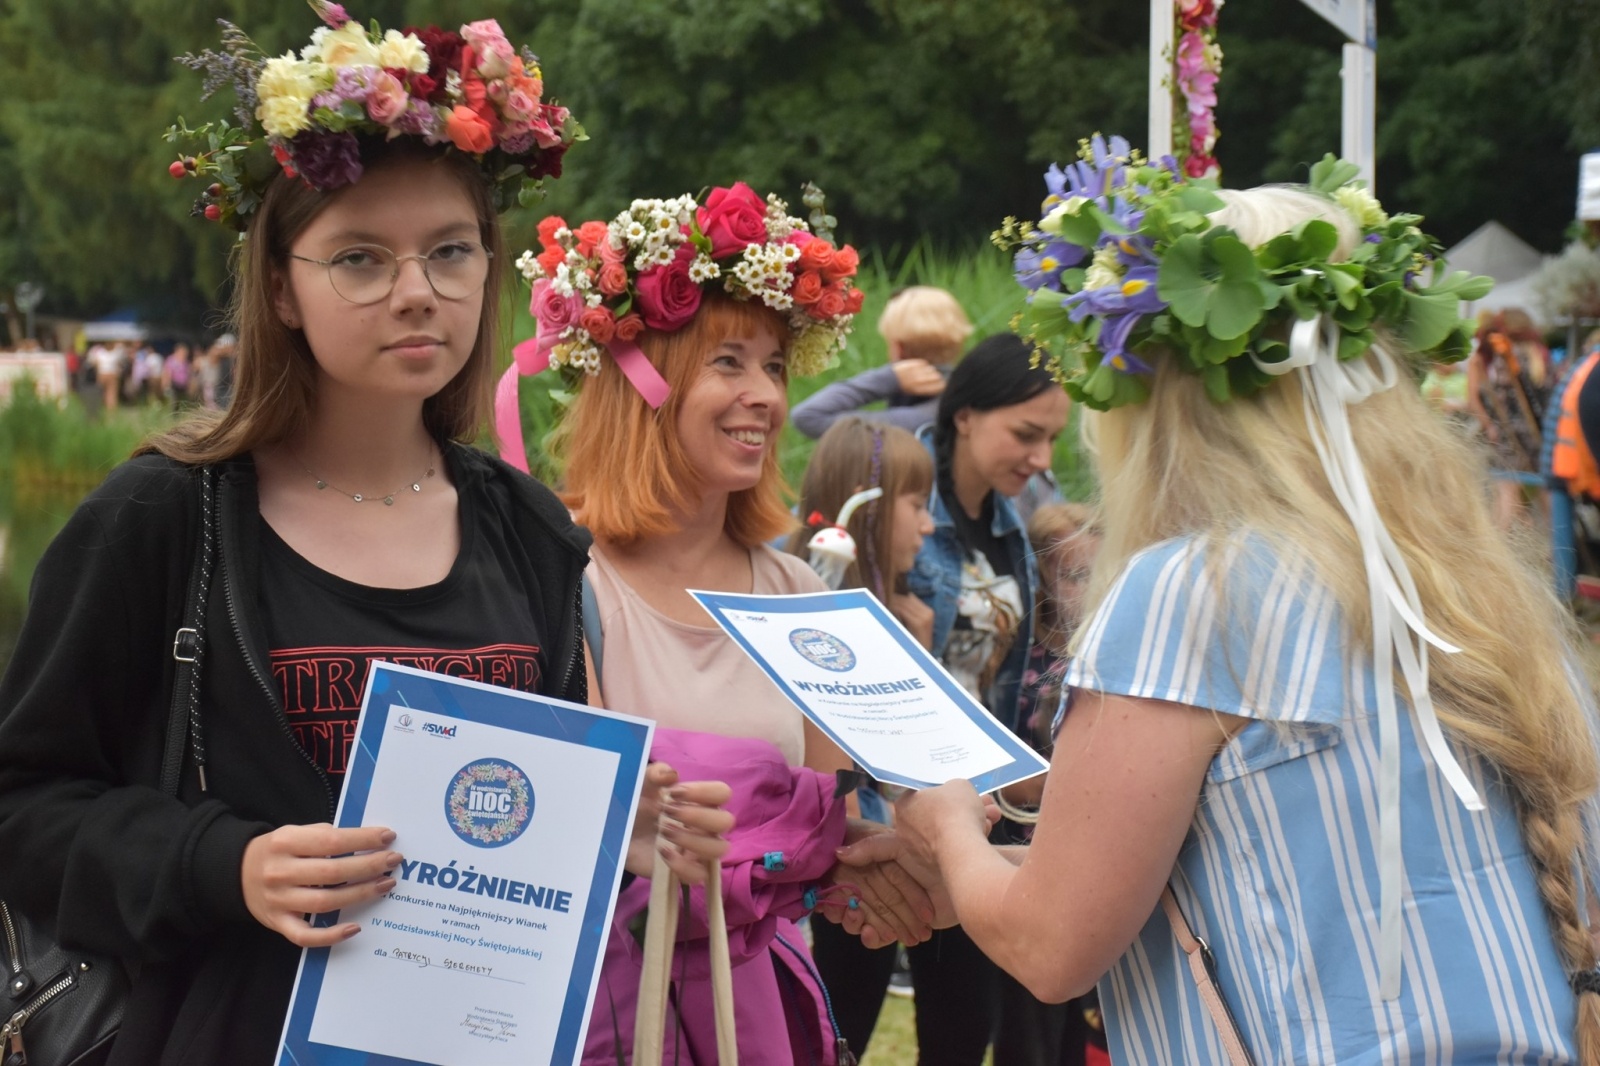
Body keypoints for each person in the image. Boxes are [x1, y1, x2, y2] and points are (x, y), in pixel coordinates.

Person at [0, 11, 732, 1064]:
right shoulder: (161, 518)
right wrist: (225, 864)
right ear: (282, 288)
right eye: (359, 258)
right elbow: (23, 808)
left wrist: (614, 830)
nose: (416, 292)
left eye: (450, 252)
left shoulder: (530, 531)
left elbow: (504, 827)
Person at [866, 145, 1600, 1063]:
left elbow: (1051, 946)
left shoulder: (1195, 596)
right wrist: (982, 878)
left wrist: (946, 823)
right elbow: (1278, 873)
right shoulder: (1472, 582)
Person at [513, 185, 934, 1065]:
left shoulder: (799, 594)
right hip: (608, 1018)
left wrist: (887, 860)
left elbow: (818, 825)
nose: (765, 397)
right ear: (642, 382)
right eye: (729, 363)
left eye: (775, 367)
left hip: (758, 1011)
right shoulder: (556, 579)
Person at [902, 332, 1071, 1066]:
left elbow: (1008, 681)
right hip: (903, 809)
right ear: (965, 414)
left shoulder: (1012, 531)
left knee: (972, 1026)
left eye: (1051, 439)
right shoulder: (899, 501)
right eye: (1026, 435)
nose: (1041, 458)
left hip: (983, 815)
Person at [784, 417, 936, 1055]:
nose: (929, 525)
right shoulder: (799, 608)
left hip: (865, 849)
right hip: (819, 870)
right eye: (916, 504)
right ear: (866, 507)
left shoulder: (906, 612)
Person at [790, 285, 973, 439]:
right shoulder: (964, 402)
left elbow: (807, 416)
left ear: (898, 348)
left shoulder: (913, 422)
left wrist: (890, 378)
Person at [1468, 307, 1553, 529]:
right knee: (1546, 489)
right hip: (1540, 432)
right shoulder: (1541, 355)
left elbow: (1500, 398)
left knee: (1506, 490)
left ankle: (1499, 541)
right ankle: (1559, 544)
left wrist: (1491, 425)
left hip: (1509, 432)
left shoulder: (1507, 355)